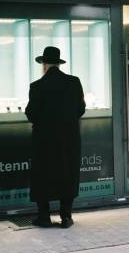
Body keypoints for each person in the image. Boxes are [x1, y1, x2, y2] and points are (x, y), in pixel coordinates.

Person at [25, 46, 86, 229]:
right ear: (58, 64)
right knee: (68, 173)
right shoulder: (74, 82)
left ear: (44, 64)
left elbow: (30, 114)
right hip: (69, 139)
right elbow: (81, 109)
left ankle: (44, 216)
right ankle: (66, 216)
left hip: (44, 142)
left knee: (43, 175)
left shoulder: (36, 86)